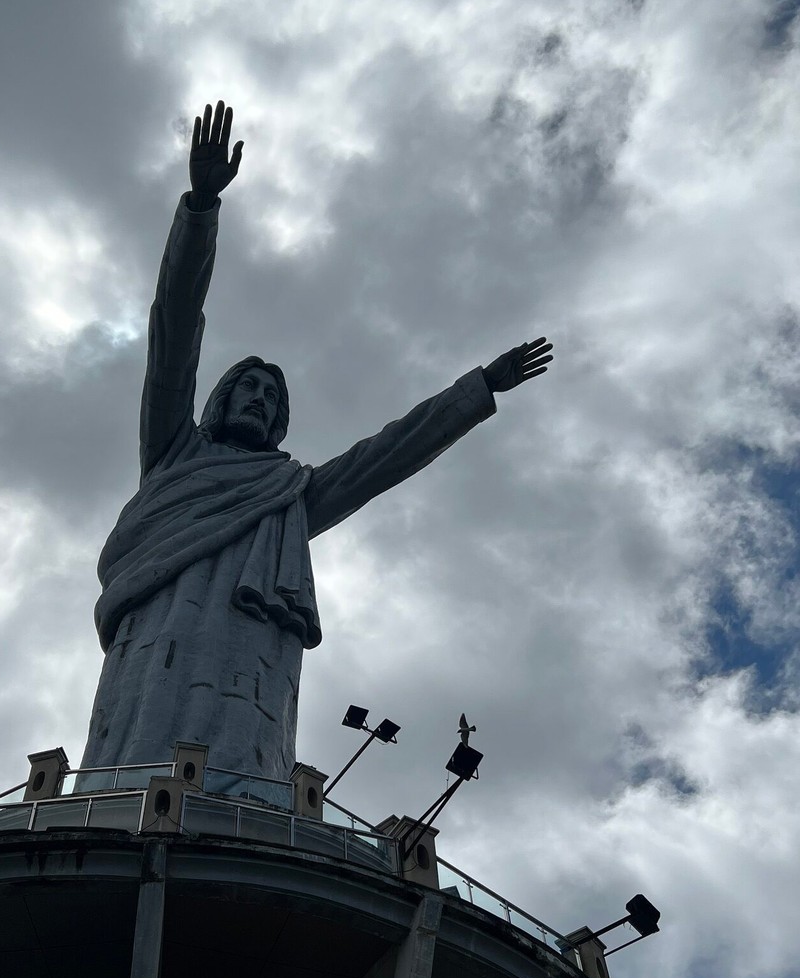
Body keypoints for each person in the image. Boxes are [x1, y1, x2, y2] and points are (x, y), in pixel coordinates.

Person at [81, 102, 553, 780]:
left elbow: (389, 454)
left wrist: (477, 389)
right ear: (218, 402)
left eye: (272, 398)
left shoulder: (290, 495)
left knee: (246, 749)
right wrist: (201, 209)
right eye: (247, 388)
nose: (259, 399)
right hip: (155, 638)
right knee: (136, 750)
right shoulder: (174, 455)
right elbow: (174, 329)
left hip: (251, 647)